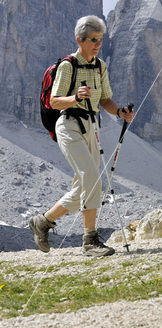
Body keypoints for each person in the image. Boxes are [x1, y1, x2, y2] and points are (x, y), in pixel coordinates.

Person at [29, 15, 134, 257]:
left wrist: (119, 112)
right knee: (92, 178)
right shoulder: (68, 66)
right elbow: (54, 101)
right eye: (93, 40)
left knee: (85, 186)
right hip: (68, 126)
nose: (98, 44)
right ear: (80, 40)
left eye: (101, 40)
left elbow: (105, 99)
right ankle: (90, 241)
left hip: (91, 127)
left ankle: (43, 221)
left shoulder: (100, 66)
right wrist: (75, 97)